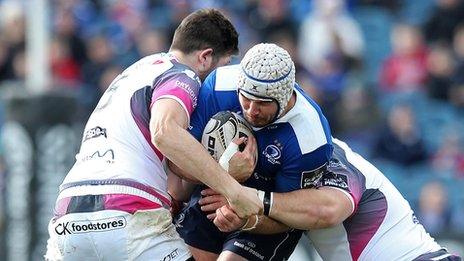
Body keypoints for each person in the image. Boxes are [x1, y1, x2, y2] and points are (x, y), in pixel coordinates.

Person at [45, 9, 263, 261]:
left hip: (68, 217)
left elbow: (174, 185)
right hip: (125, 212)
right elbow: (165, 132)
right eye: (222, 67)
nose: (218, 81)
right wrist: (233, 189)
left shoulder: (133, 72)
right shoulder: (182, 75)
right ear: (205, 57)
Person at [171, 43, 333, 260]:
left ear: (284, 99)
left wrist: (248, 218)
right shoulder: (218, 87)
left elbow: (291, 219)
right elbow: (177, 161)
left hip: (265, 212)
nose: (251, 111)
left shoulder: (309, 140)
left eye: (263, 103)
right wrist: (226, 176)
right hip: (213, 192)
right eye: (245, 98)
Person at [213, 138, 462, 260]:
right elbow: (284, 221)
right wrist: (243, 219)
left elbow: (330, 211)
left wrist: (252, 198)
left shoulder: (325, 153)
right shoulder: (285, 179)